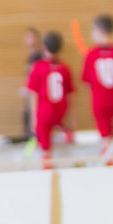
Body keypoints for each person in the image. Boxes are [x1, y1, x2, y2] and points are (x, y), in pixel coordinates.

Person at [25, 31, 75, 167]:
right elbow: (69, 96)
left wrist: (33, 119)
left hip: (44, 111)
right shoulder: (65, 69)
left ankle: (47, 166)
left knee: (46, 151)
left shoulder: (38, 67)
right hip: (60, 110)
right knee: (64, 148)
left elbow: (33, 95)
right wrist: (70, 121)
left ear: (44, 47)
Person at [80, 14, 113, 146]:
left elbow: (87, 81)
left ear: (99, 31)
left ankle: (109, 163)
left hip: (100, 103)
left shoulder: (91, 54)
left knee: (106, 141)